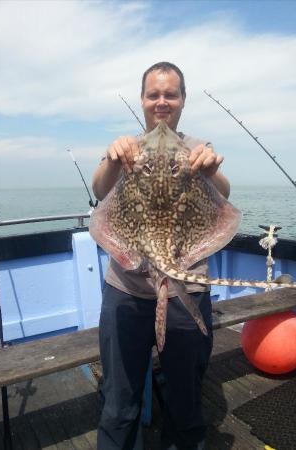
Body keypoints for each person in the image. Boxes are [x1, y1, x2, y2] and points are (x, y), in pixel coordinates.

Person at [92, 62, 230, 450]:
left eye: (170, 94)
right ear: (143, 100)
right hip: (127, 289)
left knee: (186, 404)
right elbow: (101, 191)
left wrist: (210, 168)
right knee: (119, 405)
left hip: (186, 285)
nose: (162, 102)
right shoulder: (127, 150)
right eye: (154, 94)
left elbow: (225, 193)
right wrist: (113, 159)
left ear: (183, 100)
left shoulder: (198, 147)